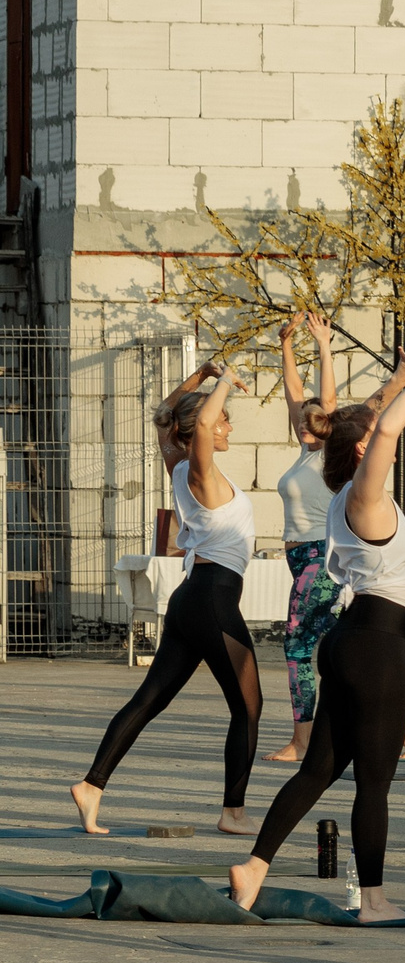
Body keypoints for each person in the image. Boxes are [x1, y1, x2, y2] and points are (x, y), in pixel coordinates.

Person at [229, 349, 405, 921]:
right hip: (374, 648)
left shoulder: (352, 504)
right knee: (374, 783)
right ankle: (373, 901)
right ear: (360, 450)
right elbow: (390, 427)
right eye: (374, 439)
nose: (386, 444)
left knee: (320, 769)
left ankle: (254, 868)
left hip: (358, 640)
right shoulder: (363, 497)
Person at [72, 357, 264, 837]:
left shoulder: (178, 464)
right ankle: (233, 812)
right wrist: (220, 383)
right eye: (223, 420)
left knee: (150, 698)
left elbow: (163, 414)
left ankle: (92, 786)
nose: (227, 426)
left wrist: (200, 375)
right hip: (213, 598)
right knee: (249, 706)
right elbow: (192, 420)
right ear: (200, 427)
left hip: (191, 599)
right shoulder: (198, 471)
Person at [269, 312, 340, 765]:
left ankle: (303, 741)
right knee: (330, 647)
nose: (302, 424)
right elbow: (296, 393)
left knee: (297, 644)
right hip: (300, 559)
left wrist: (324, 345)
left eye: (311, 422)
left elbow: (324, 399)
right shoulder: (302, 453)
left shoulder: (328, 452)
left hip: (320, 555)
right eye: (300, 421)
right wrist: (286, 345)